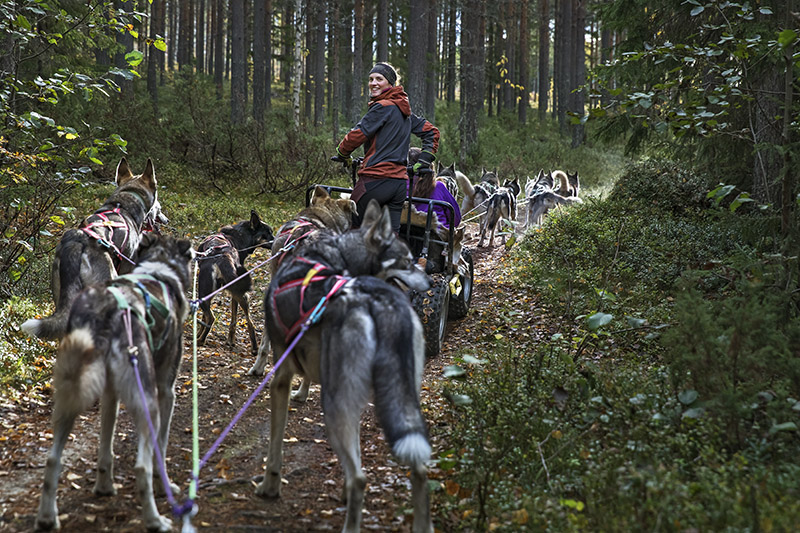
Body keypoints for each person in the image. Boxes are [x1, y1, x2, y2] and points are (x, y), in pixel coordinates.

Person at [332, 62, 440, 232]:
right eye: (371, 79)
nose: (373, 83)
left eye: (379, 79)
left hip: (375, 180)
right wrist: (425, 159)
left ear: (390, 84)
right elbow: (432, 132)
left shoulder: (382, 107)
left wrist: (342, 153)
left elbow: (357, 134)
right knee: (390, 237)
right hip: (398, 186)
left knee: (351, 227)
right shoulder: (404, 111)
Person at [409, 165, 461, 233]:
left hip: (413, 232)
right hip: (438, 233)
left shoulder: (407, 187)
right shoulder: (438, 186)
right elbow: (456, 218)